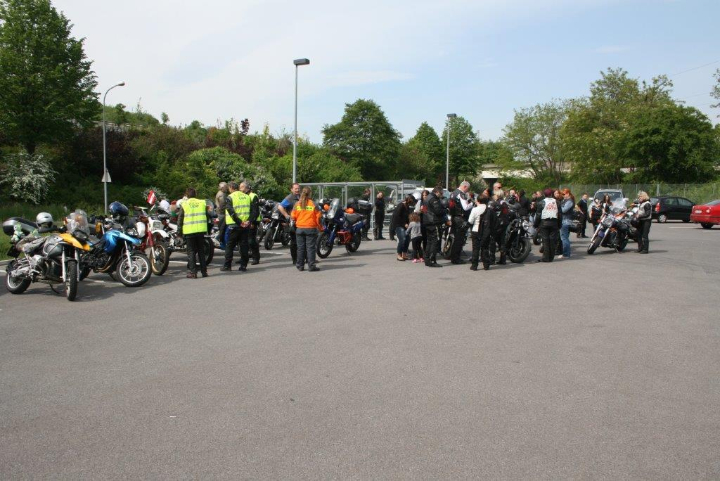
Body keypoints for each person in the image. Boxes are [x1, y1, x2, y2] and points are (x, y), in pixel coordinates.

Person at [222, 181, 256, 271]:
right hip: (245, 225)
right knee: (244, 245)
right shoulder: (247, 197)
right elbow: (253, 211)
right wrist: (249, 221)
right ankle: (243, 266)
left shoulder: (230, 197)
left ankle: (227, 265)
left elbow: (231, 212)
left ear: (231, 188)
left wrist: (239, 222)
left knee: (230, 246)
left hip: (234, 225)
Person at [177, 187, 209, 278]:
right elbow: (206, 216)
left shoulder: (184, 204)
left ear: (186, 195)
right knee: (201, 251)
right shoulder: (202, 202)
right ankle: (204, 272)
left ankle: (193, 272)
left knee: (191, 252)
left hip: (189, 231)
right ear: (196, 194)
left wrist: (179, 232)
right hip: (200, 230)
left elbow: (180, 219)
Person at [291, 186, 322, 271]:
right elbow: (318, 217)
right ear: (310, 193)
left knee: (300, 248)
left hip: (300, 228)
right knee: (310, 248)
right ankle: (311, 266)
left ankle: (300, 266)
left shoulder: (297, 204)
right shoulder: (313, 204)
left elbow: (293, 216)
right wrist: (320, 227)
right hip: (310, 228)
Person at [448, 181, 473, 264]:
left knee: (456, 239)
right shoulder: (461, 194)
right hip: (460, 219)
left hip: (454, 217)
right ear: (465, 187)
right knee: (459, 239)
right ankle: (456, 258)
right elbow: (465, 207)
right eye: (467, 189)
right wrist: (472, 203)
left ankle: (453, 257)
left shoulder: (453, 193)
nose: (467, 190)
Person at [468, 194, 496, 271]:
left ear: (478, 201)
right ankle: (486, 265)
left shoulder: (475, 209)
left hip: (476, 230)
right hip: (486, 231)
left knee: (475, 248)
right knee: (485, 248)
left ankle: (474, 265)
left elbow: (470, 221)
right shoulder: (490, 210)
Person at [423, 185, 447, 268]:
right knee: (434, 241)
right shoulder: (434, 199)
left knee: (429, 241)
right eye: (441, 193)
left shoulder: (427, 198)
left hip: (427, 221)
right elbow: (438, 211)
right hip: (433, 222)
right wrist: (445, 209)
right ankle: (432, 260)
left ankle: (427, 259)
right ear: (437, 192)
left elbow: (424, 210)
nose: (441, 195)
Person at [534, 188, 560, 262]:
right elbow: (560, 214)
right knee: (552, 240)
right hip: (554, 222)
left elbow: (538, 215)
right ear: (551, 194)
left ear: (544, 195)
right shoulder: (557, 202)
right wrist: (559, 224)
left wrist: (536, 224)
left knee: (545, 240)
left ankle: (546, 257)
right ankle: (551, 257)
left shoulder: (541, 202)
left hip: (544, 222)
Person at [277, 182, 300, 265]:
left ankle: (307, 258)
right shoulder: (289, 198)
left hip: (302, 222)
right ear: (291, 189)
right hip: (293, 223)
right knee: (294, 242)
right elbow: (280, 206)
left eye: (298, 188)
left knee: (303, 241)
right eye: (295, 188)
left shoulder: (301, 197)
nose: (297, 190)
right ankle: (295, 259)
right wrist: (287, 215)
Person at [392, 194, 414, 261]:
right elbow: (396, 216)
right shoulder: (401, 205)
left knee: (407, 239)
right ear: (407, 199)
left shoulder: (407, 206)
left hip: (405, 226)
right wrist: (404, 224)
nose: (412, 201)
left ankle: (404, 254)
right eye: (411, 199)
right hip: (399, 225)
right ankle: (399, 255)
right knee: (403, 239)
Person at [244, 182, 261, 265]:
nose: (241, 189)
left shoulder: (253, 196)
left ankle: (256, 258)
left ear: (247, 188)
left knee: (251, 240)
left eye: (242, 188)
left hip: (253, 221)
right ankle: (244, 257)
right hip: (245, 221)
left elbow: (255, 211)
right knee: (244, 241)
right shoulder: (244, 196)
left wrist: (252, 222)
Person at [559, 188, 575, 259]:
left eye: (564, 194)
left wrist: (558, 208)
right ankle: (566, 253)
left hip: (566, 221)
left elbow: (564, 210)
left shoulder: (569, 201)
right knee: (565, 237)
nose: (563, 195)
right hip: (564, 220)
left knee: (564, 238)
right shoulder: (564, 200)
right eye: (562, 194)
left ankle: (566, 254)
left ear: (568, 194)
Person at [215, 182, 228, 247]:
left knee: (223, 229)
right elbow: (222, 205)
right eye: (226, 187)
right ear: (222, 188)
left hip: (221, 213)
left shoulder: (221, 193)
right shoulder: (221, 195)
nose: (227, 188)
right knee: (223, 229)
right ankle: (221, 242)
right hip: (222, 214)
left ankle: (222, 242)